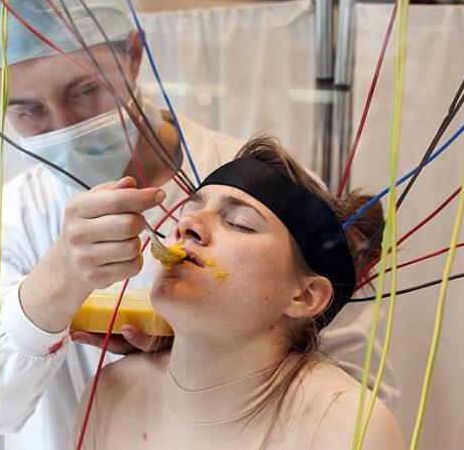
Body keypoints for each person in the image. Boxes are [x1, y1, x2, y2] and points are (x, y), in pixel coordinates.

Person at [0, 0, 398, 449]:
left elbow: (353, 394)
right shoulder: (14, 217)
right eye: (28, 110)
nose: (65, 124)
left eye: (85, 91)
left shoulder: (270, 184)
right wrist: (57, 280)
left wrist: (211, 358)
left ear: (134, 54)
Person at [71, 136, 404, 450]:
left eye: (239, 222)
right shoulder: (110, 394)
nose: (186, 226)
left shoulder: (350, 427)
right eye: (186, 212)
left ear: (305, 296)